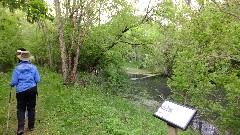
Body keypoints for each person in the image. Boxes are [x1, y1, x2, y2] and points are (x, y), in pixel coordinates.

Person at [10, 51, 40, 135]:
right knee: (31, 107)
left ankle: (20, 128)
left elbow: (14, 82)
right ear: (29, 58)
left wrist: (11, 84)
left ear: (21, 59)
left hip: (20, 91)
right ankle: (31, 126)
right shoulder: (34, 68)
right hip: (32, 90)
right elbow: (37, 80)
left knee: (21, 108)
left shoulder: (17, 68)